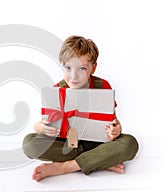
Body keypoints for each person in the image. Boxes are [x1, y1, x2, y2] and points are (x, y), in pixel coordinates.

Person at [22, 35, 139, 182]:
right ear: (61, 65)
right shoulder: (57, 90)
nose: (73, 76)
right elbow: (42, 123)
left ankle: (65, 167)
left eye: (82, 68)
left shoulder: (103, 87)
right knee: (29, 143)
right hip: (68, 145)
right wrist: (41, 128)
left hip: (98, 143)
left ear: (93, 67)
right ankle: (99, 161)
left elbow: (113, 121)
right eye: (68, 68)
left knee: (130, 144)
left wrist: (116, 130)